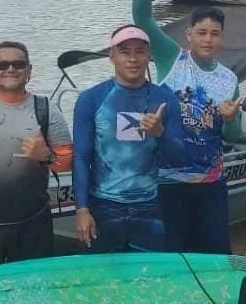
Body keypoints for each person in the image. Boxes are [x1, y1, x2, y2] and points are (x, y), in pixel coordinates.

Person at [133, 0, 241, 254]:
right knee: (174, 255)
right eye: (201, 33)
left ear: (222, 38)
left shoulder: (229, 79)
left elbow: (232, 137)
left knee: (216, 256)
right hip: (169, 182)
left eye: (214, 34)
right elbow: (142, 19)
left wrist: (231, 119)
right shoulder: (172, 59)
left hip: (211, 183)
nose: (208, 39)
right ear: (188, 34)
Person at [73, 25, 185, 252]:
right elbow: (81, 158)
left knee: (148, 276)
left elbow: (179, 158)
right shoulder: (91, 99)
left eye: (140, 51)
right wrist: (82, 208)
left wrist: (159, 133)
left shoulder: (165, 99)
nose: (133, 59)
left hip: (149, 204)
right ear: (112, 56)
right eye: (125, 52)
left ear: (148, 56)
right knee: (103, 278)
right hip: (104, 205)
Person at [0, 41, 73, 271]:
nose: (10, 69)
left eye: (18, 64)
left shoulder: (46, 110)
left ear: (29, 70)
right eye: (2, 64)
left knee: (31, 292)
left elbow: (66, 163)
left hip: (31, 223)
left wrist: (46, 157)